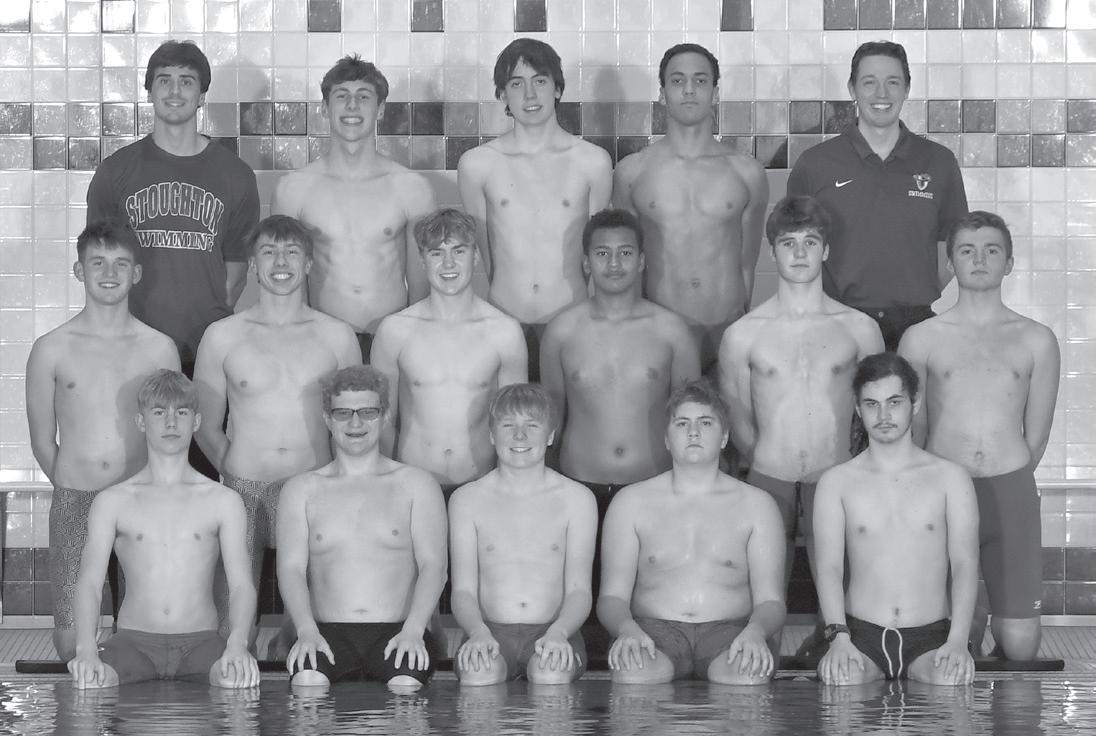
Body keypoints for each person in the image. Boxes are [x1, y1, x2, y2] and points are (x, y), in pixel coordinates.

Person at [899, 211, 1060, 661]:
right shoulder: (921, 338)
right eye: (967, 251)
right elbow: (915, 431)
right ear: (951, 262)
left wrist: (1007, 476)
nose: (979, 259)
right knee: (946, 640)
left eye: (992, 250)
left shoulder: (1037, 339)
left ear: (1009, 263)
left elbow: (1037, 437)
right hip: (943, 490)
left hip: (1010, 490)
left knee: (1021, 648)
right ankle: (972, 620)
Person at [26, 219, 180, 662]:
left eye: (120, 263)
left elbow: (174, 430)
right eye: (97, 263)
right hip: (76, 499)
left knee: (148, 639)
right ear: (79, 271)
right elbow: (42, 439)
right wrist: (70, 484)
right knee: (72, 644)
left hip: (142, 502)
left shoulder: (159, 349)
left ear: (137, 273)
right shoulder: (51, 348)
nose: (109, 273)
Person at [718, 196, 883, 590]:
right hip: (769, 476)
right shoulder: (742, 334)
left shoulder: (859, 329)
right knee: (764, 596)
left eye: (810, 242)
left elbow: (878, 410)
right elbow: (736, 415)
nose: (799, 253)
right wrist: (764, 459)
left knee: (843, 597)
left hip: (837, 474)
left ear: (825, 250)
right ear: (771, 252)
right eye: (788, 243)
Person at [193, 215, 360, 590]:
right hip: (245, 487)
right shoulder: (222, 336)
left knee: (319, 609)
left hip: (317, 488)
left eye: (292, 252)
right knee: (235, 608)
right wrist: (233, 470)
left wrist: (340, 483)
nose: (281, 262)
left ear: (309, 263)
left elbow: (355, 421)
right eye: (269, 252)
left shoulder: (337, 336)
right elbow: (203, 425)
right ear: (253, 264)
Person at [66, 370, 260, 689]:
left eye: (181, 412)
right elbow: (89, 582)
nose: (171, 423)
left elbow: (241, 585)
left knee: (238, 682)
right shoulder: (113, 501)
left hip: (201, 642)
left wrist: (237, 643)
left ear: (196, 421)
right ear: (141, 421)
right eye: (159, 412)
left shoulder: (223, 501)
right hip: (132, 643)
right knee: (89, 684)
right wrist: (86, 649)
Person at [86, 40, 259, 372]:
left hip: (206, 352)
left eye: (187, 81)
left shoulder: (236, 176)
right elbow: (97, 262)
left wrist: (205, 334)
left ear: (202, 96)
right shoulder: (114, 172)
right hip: (130, 350)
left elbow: (236, 273)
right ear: (149, 92)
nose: (175, 91)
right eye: (164, 80)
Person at [597, 380, 786, 684]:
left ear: (724, 437)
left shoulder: (757, 505)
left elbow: (771, 601)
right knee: (633, 676)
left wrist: (755, 632)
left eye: (706, 423)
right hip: (651, 631)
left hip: (732, 631)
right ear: (667, 438)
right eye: (682, 423)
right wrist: (626, 629)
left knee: (747, 679)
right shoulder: (631, 502)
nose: (693, 432)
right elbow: (611, 596)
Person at [787, 41, 969, 351]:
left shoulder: (939, 162)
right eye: (869, 82)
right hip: (836, 326)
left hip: (915, 327)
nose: (881, 94)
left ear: (907, 89)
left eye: (893, 82)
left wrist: (911, 296)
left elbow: (953, 246)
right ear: (852, 89)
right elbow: (793, 248)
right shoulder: (814, 164)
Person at [277, 366, 448, 692]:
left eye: (367, 412)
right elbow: (291, 568)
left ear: (385, 417)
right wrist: (306, 630)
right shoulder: (301, 490)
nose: (355, 424)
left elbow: (434, 566)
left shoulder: (416, 485)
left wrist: (414, 630)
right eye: (343, 413)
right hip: (324, 630)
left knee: (405, 683)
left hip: (400, 628)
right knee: (307, 682)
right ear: (327, 419)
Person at [814, 353, 979, 685]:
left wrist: (958, 641)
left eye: (894, 402)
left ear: (914, 404)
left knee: (951, 682)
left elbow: (965, 564)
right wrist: (838, 638)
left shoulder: (950, 478)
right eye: (872, 404)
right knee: (841, 681)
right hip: (859, 635)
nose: (883, 415)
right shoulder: (836, 482)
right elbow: (828, 568)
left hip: (931, 636)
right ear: (858, 409)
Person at [458, 38, 612, 380]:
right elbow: (483, 254)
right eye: (517, 84)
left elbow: (597, 254)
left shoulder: (592, 162)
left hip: (572, 321)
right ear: (502, 94)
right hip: (504, 321)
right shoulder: (477, 165)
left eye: (539, 81)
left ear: (557, 88)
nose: (529, 95)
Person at [613, 43, 768, 371]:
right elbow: (628, 264)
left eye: (700, 80)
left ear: (715, 93)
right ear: (662, 94)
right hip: (658, 336)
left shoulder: (747, 173)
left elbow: (747, 264)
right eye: (677, 80)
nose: (688, 90)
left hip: (726, 333)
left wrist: (738, 331)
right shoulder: (632, 172)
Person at [272, 55, 436, 358]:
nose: (352, 106)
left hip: (390, 342)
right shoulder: (293, 190)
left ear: (380, 109)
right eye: (341, 96)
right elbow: (286, 284)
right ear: (325, 108)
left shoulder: (412, 189)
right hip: (320, 343)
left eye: (363, 97)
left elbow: (421, 288)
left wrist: (411, 347)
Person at [448, 384, 597, 685]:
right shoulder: (467, 500)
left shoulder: (577, 499)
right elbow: (463, 590)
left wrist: (560, 632)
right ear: (492, 435)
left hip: (554, 630)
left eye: (532, 426)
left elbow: (579, 590)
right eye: (508, 426)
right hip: (487, 630)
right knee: (478, 676)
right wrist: (477, 631)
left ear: (550, 435)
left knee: (550, 674)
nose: (520, 436)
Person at [371, 208, 527, 494]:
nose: (448, 263)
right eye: (436, 253)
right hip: (413, 485)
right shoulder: (395, 331)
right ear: (422, 260)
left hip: (482, 486)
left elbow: (515, 421)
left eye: (459, 251)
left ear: (475, 256)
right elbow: (382, 421)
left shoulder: (504, 332)